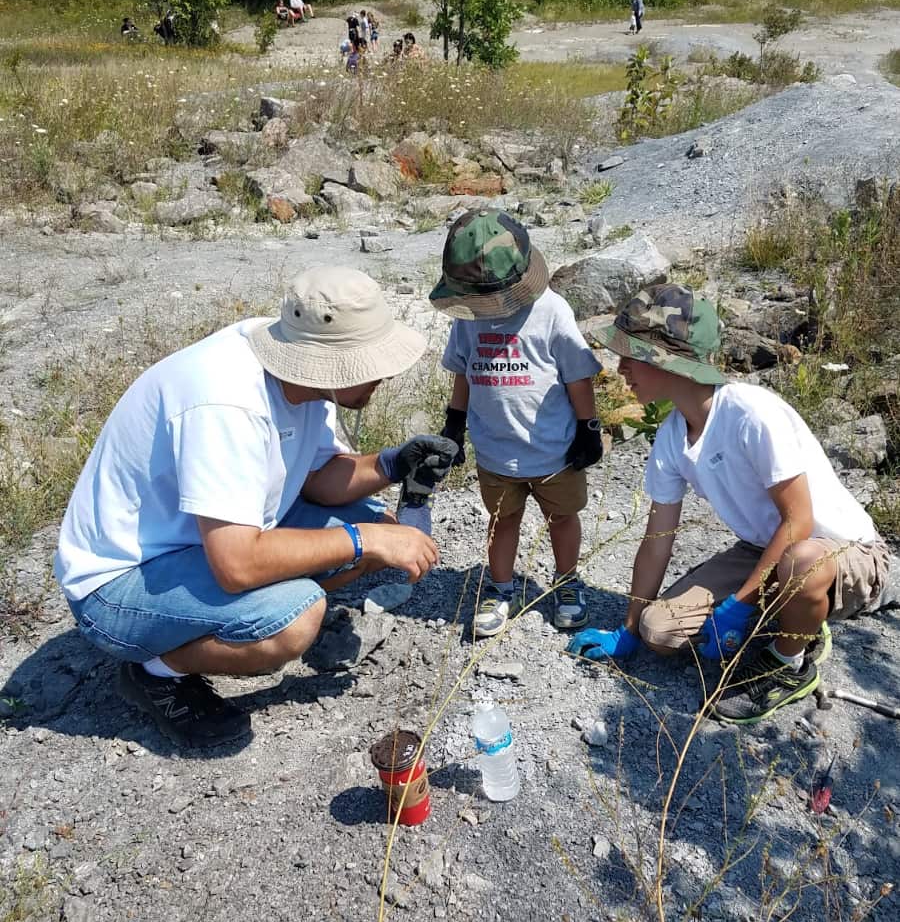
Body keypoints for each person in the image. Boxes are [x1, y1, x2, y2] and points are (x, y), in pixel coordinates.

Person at [54, 269, 456, 750]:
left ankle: (248, 613)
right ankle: (156, 672)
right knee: (294, 619)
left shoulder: (299, 371)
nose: (385, 375)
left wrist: (391, 464)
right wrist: (362, 540)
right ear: (331, 363)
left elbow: (318, 480)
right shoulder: (227, 402)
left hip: (210, 538)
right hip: (121, 582)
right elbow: (237, 565)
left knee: (378, 530)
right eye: (373, 364)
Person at [568, 283, 890, 725]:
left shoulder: (750, 413)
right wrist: (628, 628)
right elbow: (658, 539)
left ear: (670, 361)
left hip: (842, 550)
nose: (621, 367)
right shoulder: (672, 436)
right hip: (764, 550)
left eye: (632, 355)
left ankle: (790, 661)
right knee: (659, 631)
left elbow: (799, 519)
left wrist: (738, 604)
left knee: (800, 563)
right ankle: (788, 615)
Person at [429, 210, 605, 638]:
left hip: (555, 451)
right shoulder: (467, 315)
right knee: (502, 520)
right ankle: (500, 586)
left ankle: (567, 581)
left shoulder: (552, 310)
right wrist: (454, 422)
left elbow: (577, 375)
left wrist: (589, 427)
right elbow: (463, 370)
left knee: (562, 517)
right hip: (495, 451)